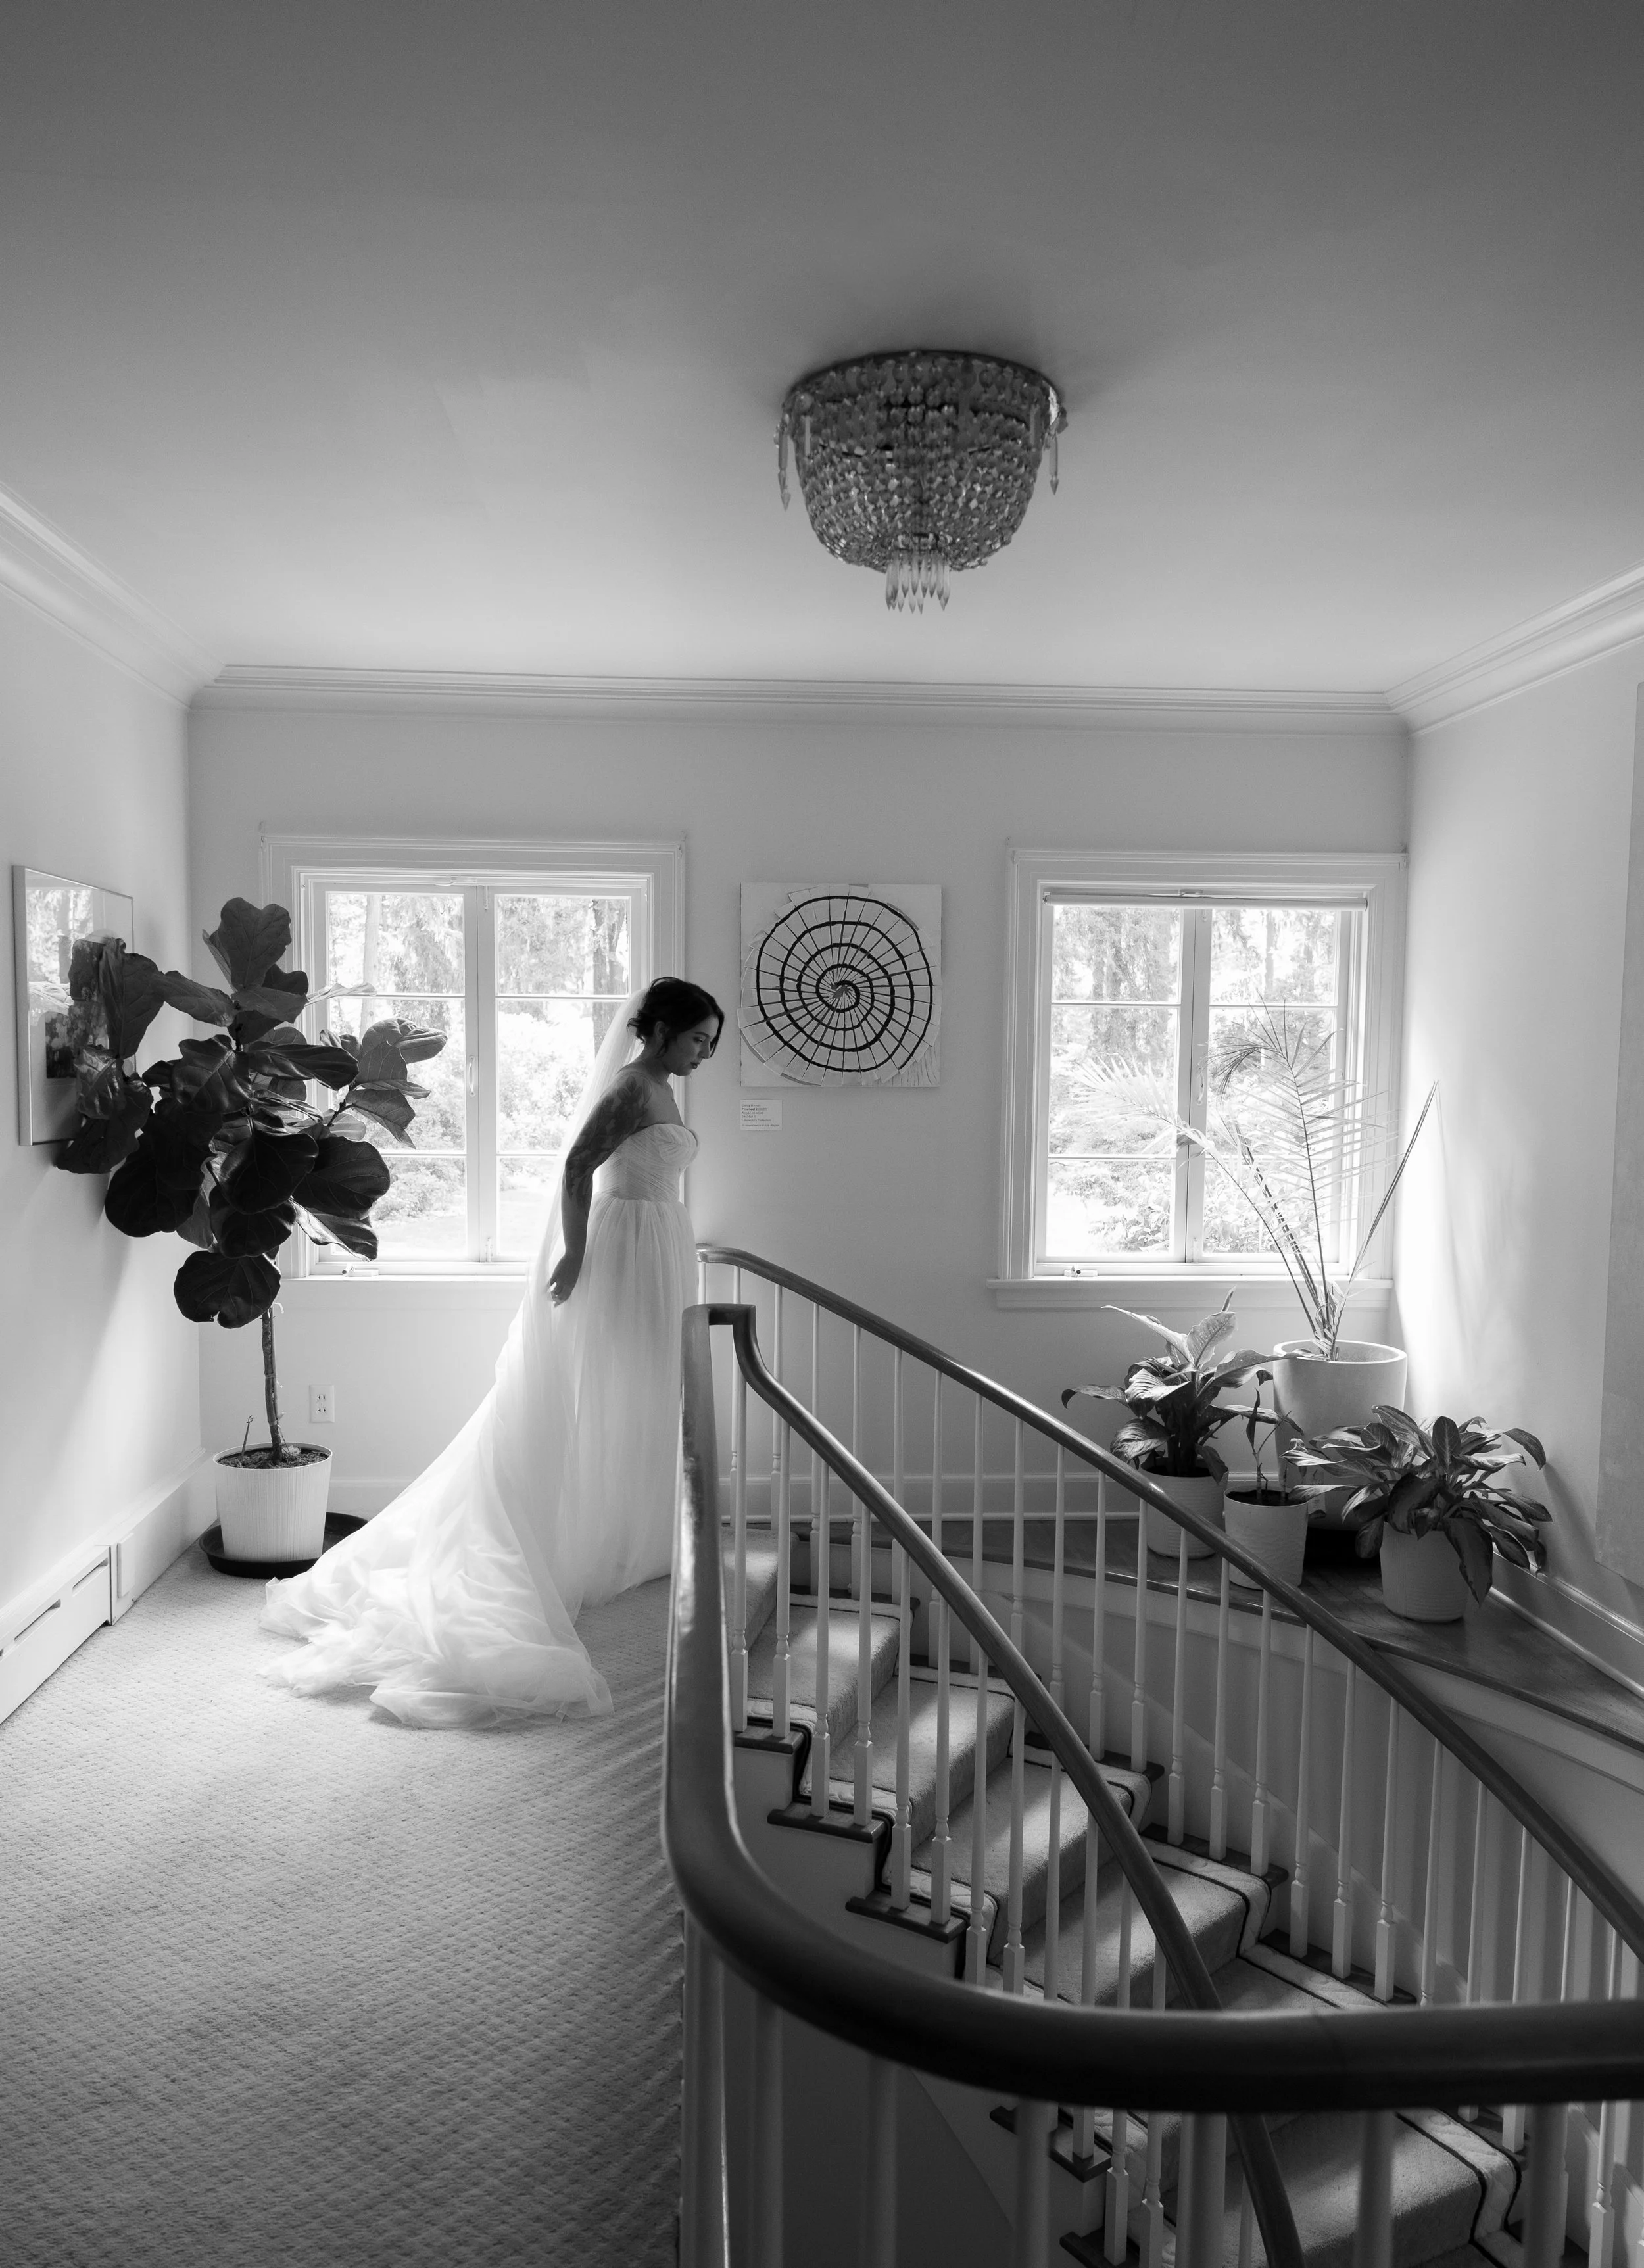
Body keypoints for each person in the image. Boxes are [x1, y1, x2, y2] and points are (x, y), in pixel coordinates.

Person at [258, 977, 724, 1728]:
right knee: (599, 1386)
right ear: (662, 1029)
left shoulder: (663, 1086)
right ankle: (567, 1536)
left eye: (710, 1042)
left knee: (646, 1389)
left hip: (661, 1244)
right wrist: (574, 1255)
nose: (705, 1053)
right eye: (699, 1038)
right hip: (624, 1247)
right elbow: (577, 1166)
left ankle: (626, 1534)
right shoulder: (634, 1086)